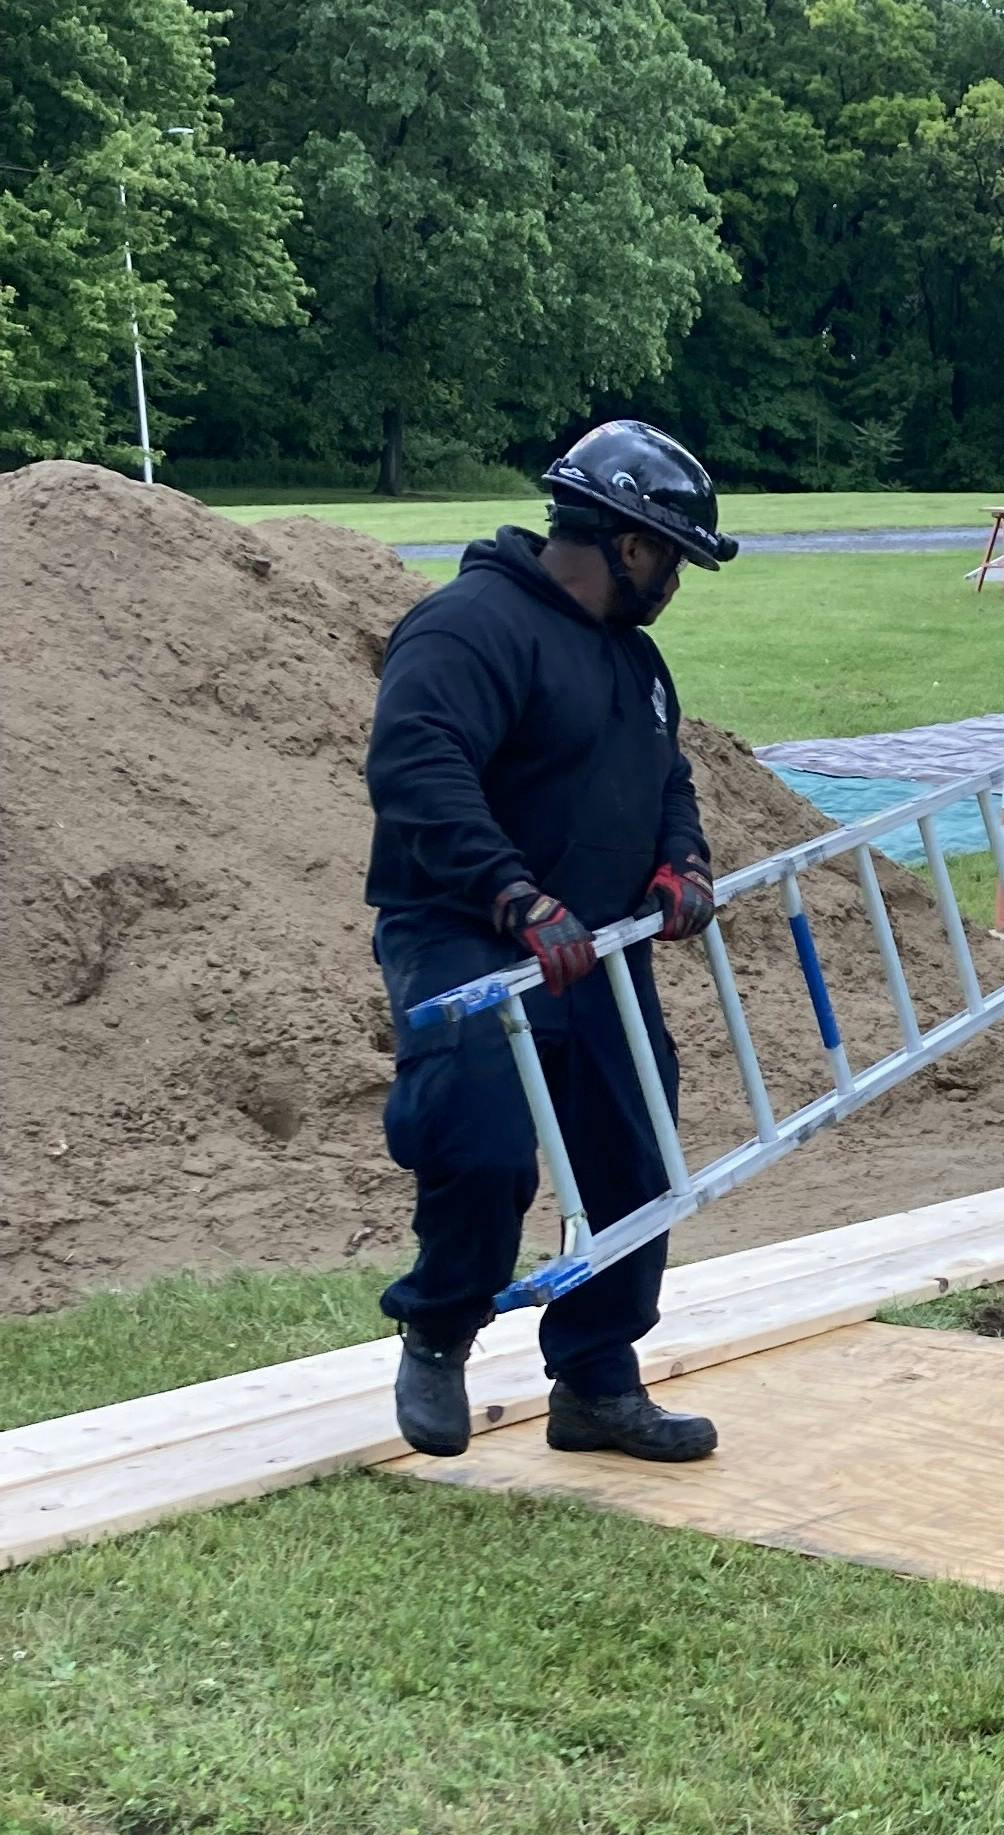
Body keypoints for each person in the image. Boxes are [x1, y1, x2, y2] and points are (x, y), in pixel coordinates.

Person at [363, 420, 736, 1463]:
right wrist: (515, 895)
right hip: (467, 932)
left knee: (634, 1158)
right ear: (628, 543)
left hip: (599, 945)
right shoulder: (468, 628)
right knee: (478, 1142)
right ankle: (439, 1328)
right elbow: (416, 765)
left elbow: (668, 776)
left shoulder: (637, 661)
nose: (674, 583)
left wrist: (684, 859)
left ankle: (597, 1382)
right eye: (671, 559)